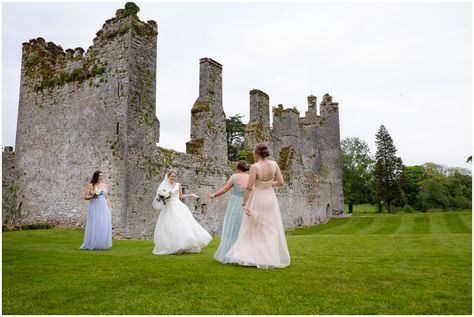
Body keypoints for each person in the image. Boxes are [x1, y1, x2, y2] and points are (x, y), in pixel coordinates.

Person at [226, 143, 291, 268]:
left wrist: (244, 203)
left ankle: (252, 257)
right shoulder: (274, 164)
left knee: (253, 227)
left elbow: (249, 187)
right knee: (269, 228)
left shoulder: (255, 167)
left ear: (256, 153)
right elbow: (281, 182)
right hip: (270, 198)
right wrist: (268, 184)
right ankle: (269, 257)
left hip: (258, 198)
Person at [152, 169, 212, 255]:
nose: (173, 177)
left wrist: (191, 195)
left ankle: (186, 244)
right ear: (168, 176)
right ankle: (172, 245)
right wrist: (164, 197)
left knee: (183, 224)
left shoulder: (178, 185)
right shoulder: (164, 186)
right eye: (171, 176)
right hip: (169, 208)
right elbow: (161, 198)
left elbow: (181, 196)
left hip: (178, 206)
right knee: (169, 227)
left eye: (174, 176)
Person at [208, 160, 250, 263]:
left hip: (235, 203)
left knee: (231, 228)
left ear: (238, 168)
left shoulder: (234, 177)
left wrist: (213, 195)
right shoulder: (250, 178)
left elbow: (225, 189)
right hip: (247, 203)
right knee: (244, 228)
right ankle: (244, 254)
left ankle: (230, 253)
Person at [80, 170, 112, 250]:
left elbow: (107, 197)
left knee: (103, 223)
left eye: (101, 175)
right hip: (94, 206)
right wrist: (93, 197)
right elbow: (85, 197)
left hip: (103, 205)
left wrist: (110, 207)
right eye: (99, 176)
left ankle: (102, 244)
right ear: (96, 176)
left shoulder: (105, 185)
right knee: (95, 223)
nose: (101, 177)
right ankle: (93, 243)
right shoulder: (91, 185)